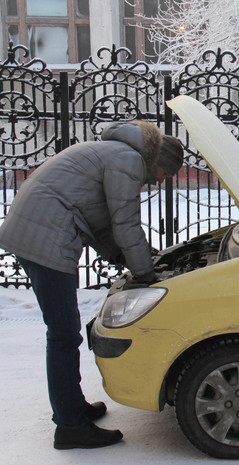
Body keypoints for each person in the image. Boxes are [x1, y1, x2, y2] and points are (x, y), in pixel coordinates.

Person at [0, 121, 184, 449]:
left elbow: (101, 226)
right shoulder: (128, 161)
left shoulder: (116, 154)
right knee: (63, 335)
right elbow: (126, 224)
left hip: (38, 230)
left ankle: (74, 408)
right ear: (159, 162)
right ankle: (70, 427)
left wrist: (129, 259)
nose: (162, 181)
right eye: (166, 174)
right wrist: (147, 274)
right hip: (44, 237)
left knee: (64, 333)